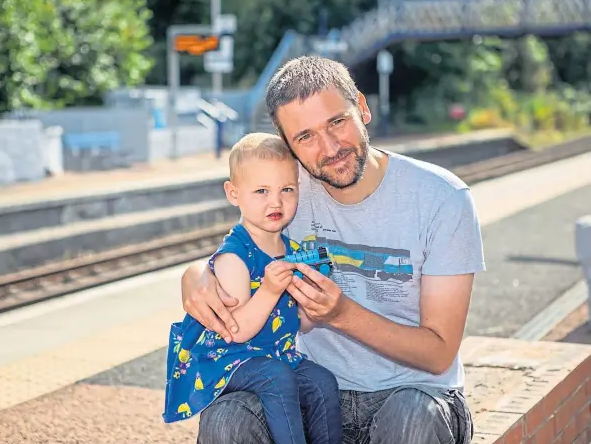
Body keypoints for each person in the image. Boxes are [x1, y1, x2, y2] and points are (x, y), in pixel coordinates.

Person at [181, 55, 485, 444]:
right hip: (311, 392)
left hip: (412, 394)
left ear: (362, 107)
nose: (329, 148)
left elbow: (439, 353)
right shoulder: (286, 194)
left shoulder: (442, 198)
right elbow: (238, 249)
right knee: (225, 419)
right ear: (288, 146)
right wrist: (196, 275)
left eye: (337, 122)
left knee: (412, 418)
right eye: (305, 137)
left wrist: (341, 315)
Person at [163, 133, 342, 444]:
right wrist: (271, 290)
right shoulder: (235, 257)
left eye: (287, 189)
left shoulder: (291, 248)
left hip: (274, 353)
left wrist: (312, 304)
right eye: (261, 191)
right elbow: (236, 331)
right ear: (234, 194)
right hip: (227, 358)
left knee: (321, 381)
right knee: (276, 377)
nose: (276, 201)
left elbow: (299, 324)